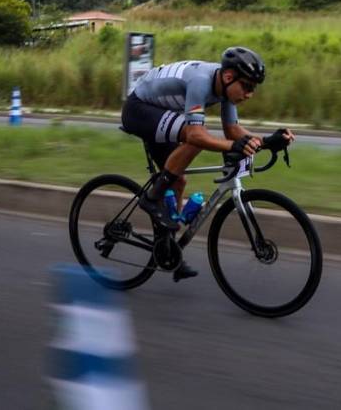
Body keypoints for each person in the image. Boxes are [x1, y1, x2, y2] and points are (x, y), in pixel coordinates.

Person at [121, 46, 295, 281]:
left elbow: (232, 131)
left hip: (162, 112)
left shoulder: (224, 88)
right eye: (247, 86)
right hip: (139, 109)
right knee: (196, 139)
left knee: (179, 179)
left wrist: (267, 141)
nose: (249, 94)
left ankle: (167, 250)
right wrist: (232, 146)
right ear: (228, 77)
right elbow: (196, 135)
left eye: (253, 88)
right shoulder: (201, 82)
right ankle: (151, 198)